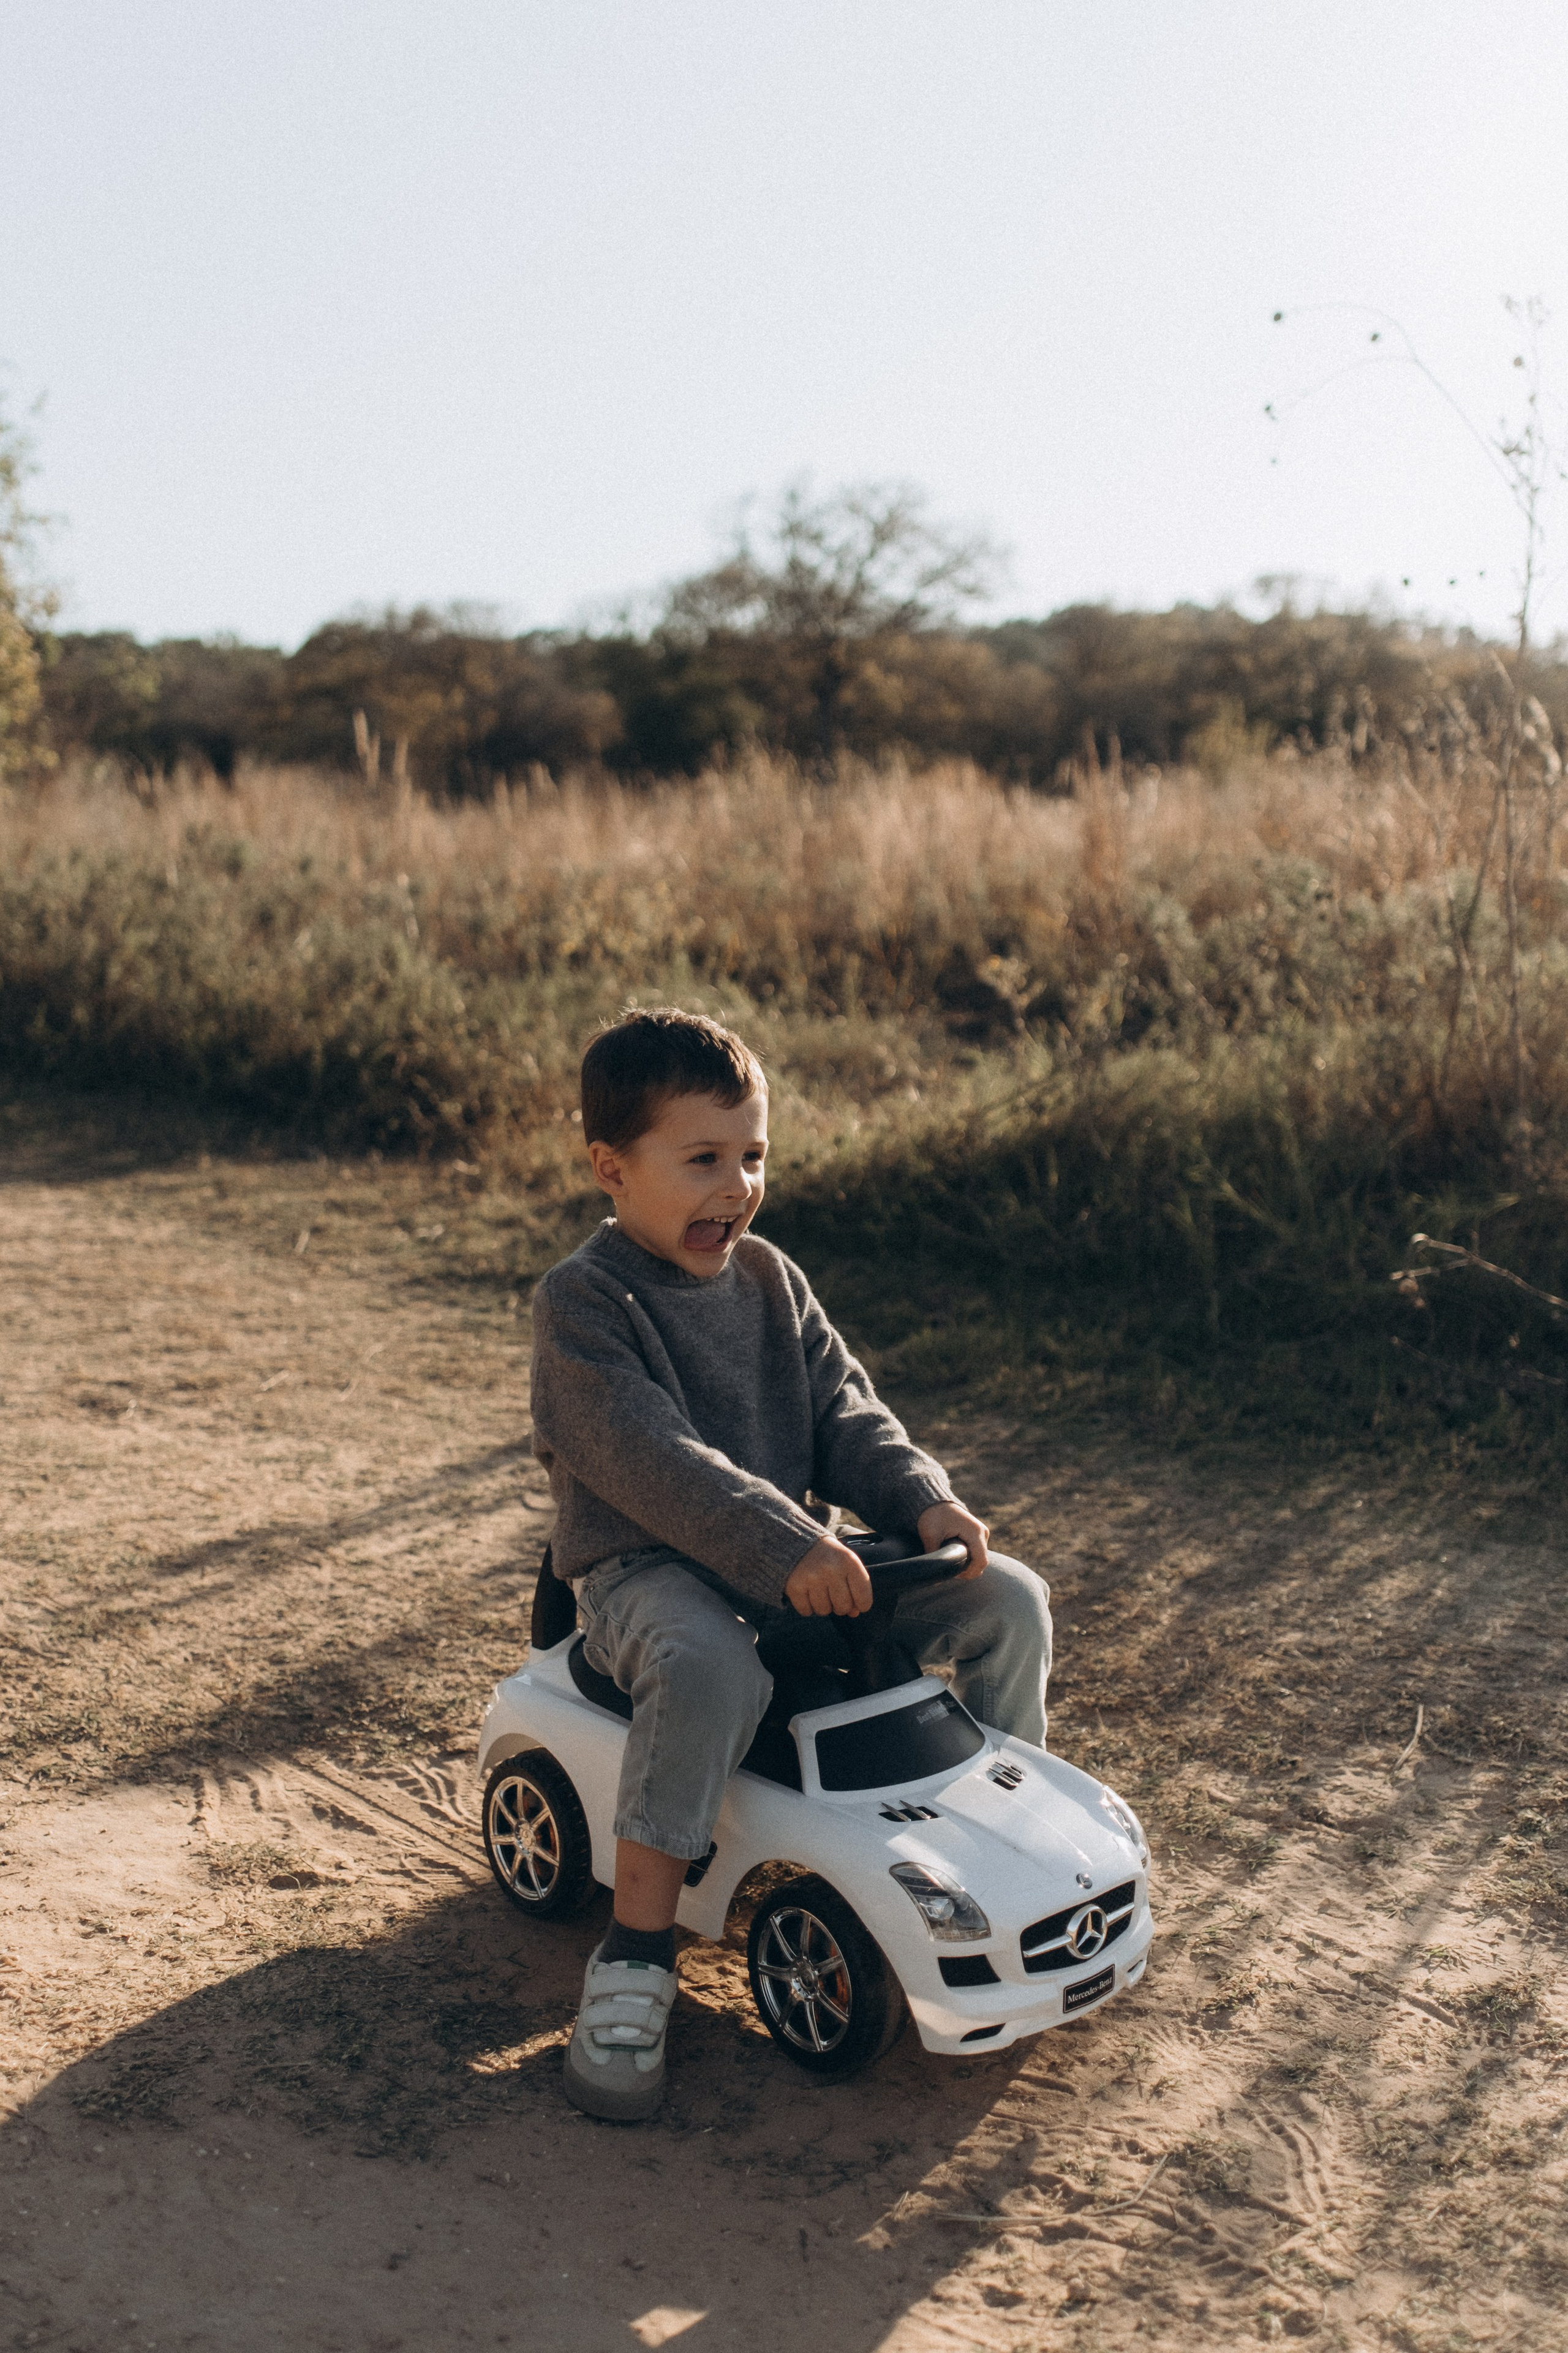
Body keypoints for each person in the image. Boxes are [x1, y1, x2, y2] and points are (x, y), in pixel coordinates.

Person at [529, 1008, 1052, 2121]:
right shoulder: (583, 1305)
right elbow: (651, 1460)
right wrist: (788, 1546)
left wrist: (922, 1501)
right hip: (648, 1574)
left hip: (797, 1567)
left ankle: (1009, 1850)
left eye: (754, 1155)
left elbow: (844, 1411)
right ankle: (633, 1956)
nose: (738, 1186)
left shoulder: (770, 1279)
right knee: (709, 1666)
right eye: (704, 1159)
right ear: (612, 1169)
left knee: (1007, 1600)